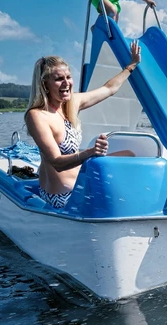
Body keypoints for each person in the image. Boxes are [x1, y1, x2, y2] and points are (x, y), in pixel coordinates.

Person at [24, 42, 143, 208]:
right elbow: (57, 163)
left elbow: (109, 89)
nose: (66, 83)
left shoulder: (72, 103)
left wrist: (132, 65)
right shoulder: (37, 116)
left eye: (68, 77)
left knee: (129, 155)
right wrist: (91, 152)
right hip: (61, 195)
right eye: (58, 79)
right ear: (44, 85)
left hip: (81, 182)